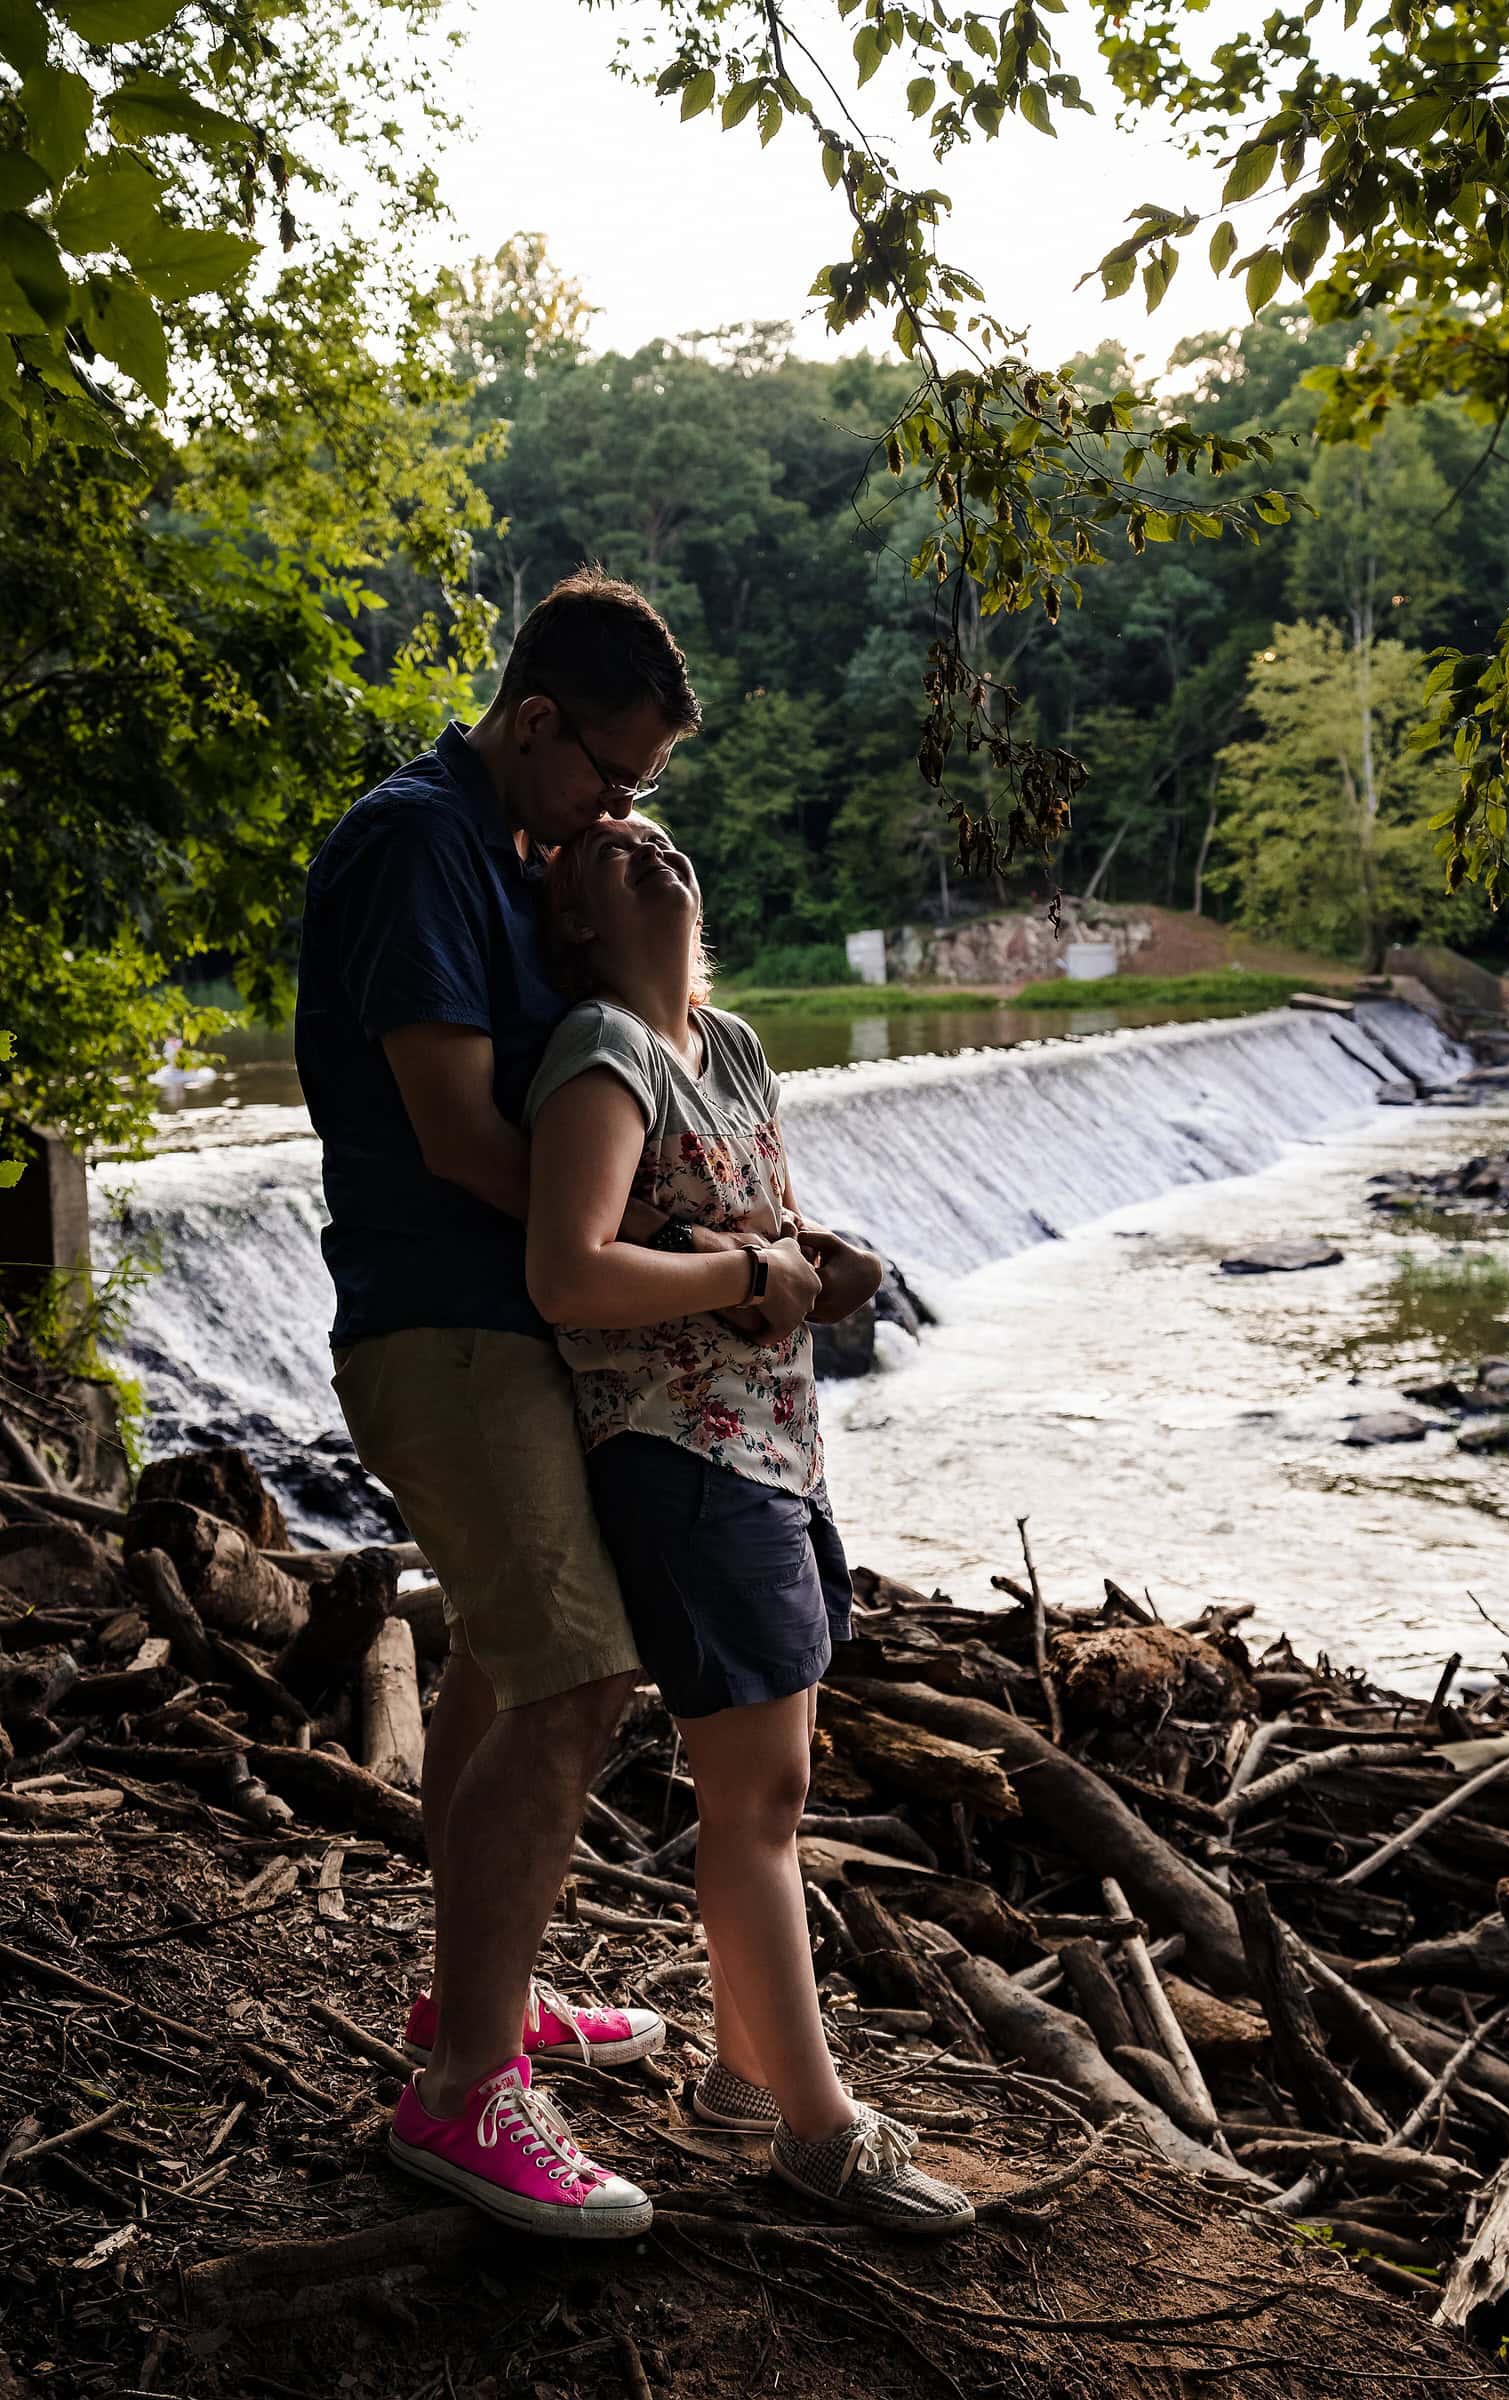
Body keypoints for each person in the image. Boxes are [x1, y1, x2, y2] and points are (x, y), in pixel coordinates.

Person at [296, 571, 820, 2234]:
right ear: (534, 724)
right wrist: (666, 1243)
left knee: (507, 1674)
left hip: (514, 1330)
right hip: (443, 1330)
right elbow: (458, 1133)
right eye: (610, 776)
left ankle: (476, 2011)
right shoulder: (420, 844)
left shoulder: (514, 847)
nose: (619, 812)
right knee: (579, 1676)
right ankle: (463, 2103)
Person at [520, 812, 976, 2235]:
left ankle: (735, 2078)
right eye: (609, 850)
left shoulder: (735, 1050)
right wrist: (746, 1275)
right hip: (679, 1458)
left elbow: (753, 1234)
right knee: (758, 1802)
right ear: (575, 919)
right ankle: (820, 2133)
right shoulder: (600, 1054)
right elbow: (572, 1274)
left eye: (662, 839)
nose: (648, 850)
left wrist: (823, 1268)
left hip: (776, 1449)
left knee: (775, 1786)